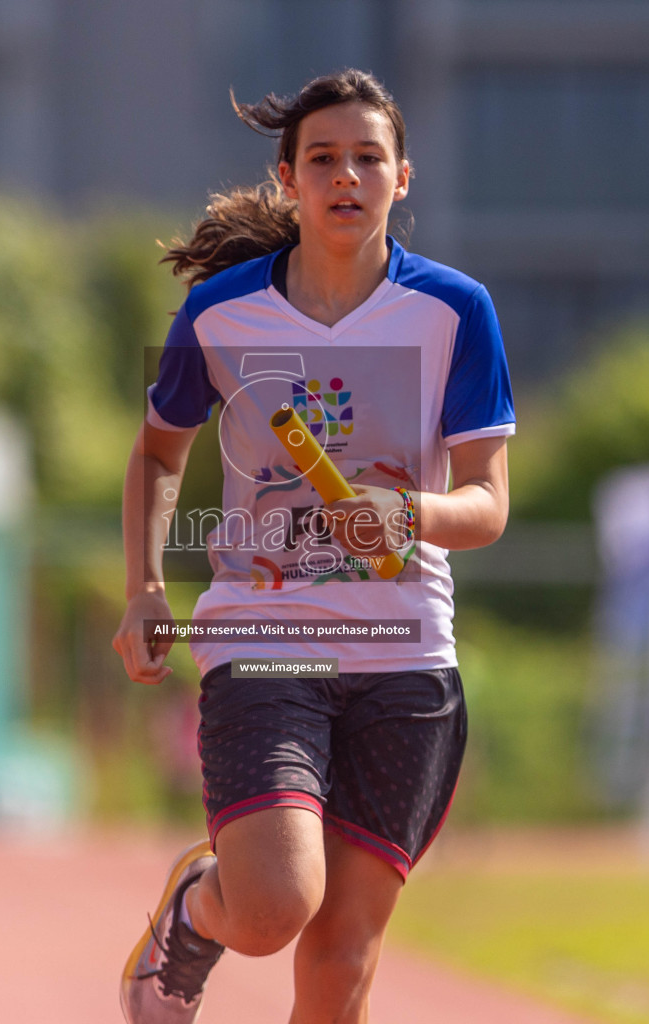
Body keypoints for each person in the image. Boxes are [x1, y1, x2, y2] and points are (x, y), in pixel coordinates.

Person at [112, 70, 514, 1024]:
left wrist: (403, 513)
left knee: (340, 966)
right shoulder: (220, 313)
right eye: (323, 159)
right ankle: (200, 908)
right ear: (288, 180)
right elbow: (159, 453)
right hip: (266, 636)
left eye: (368, 158)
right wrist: (144, 588)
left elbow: (489, 505)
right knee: (275, 909)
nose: (347, 176)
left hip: (406, 653)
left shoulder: (457, 311)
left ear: (402, 177)